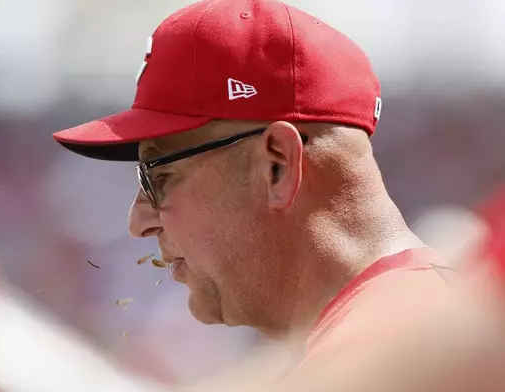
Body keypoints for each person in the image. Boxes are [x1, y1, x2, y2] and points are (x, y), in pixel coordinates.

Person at [52, 0, 472, 388]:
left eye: (158, 176)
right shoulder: (395, 326)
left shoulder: (384, 352)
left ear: (277, 166)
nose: (139, 221)